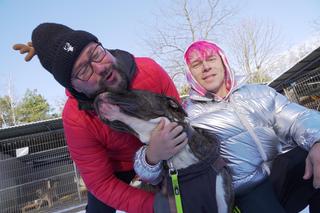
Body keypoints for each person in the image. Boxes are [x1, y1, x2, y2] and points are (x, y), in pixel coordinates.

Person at [13, 22, 188, 213]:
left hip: (166, 147)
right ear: (75, 87)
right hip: (118, 166)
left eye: (96, 53)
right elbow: (101, 184)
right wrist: (156, 206)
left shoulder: (149, 71)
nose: (100, 68)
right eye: (83, 71)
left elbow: (179, 119)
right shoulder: (76, 119)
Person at [134, 40, 320, 213]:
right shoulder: (186, 116)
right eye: (197, 64)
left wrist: (317, 141)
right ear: (190, 74)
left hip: (280, 172)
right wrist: (151, 157)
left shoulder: (260, 93)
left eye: (211, 59)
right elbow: (154, 173)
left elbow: (298, 117)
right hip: (244, 191)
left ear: (223, 62)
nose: (206, 67)